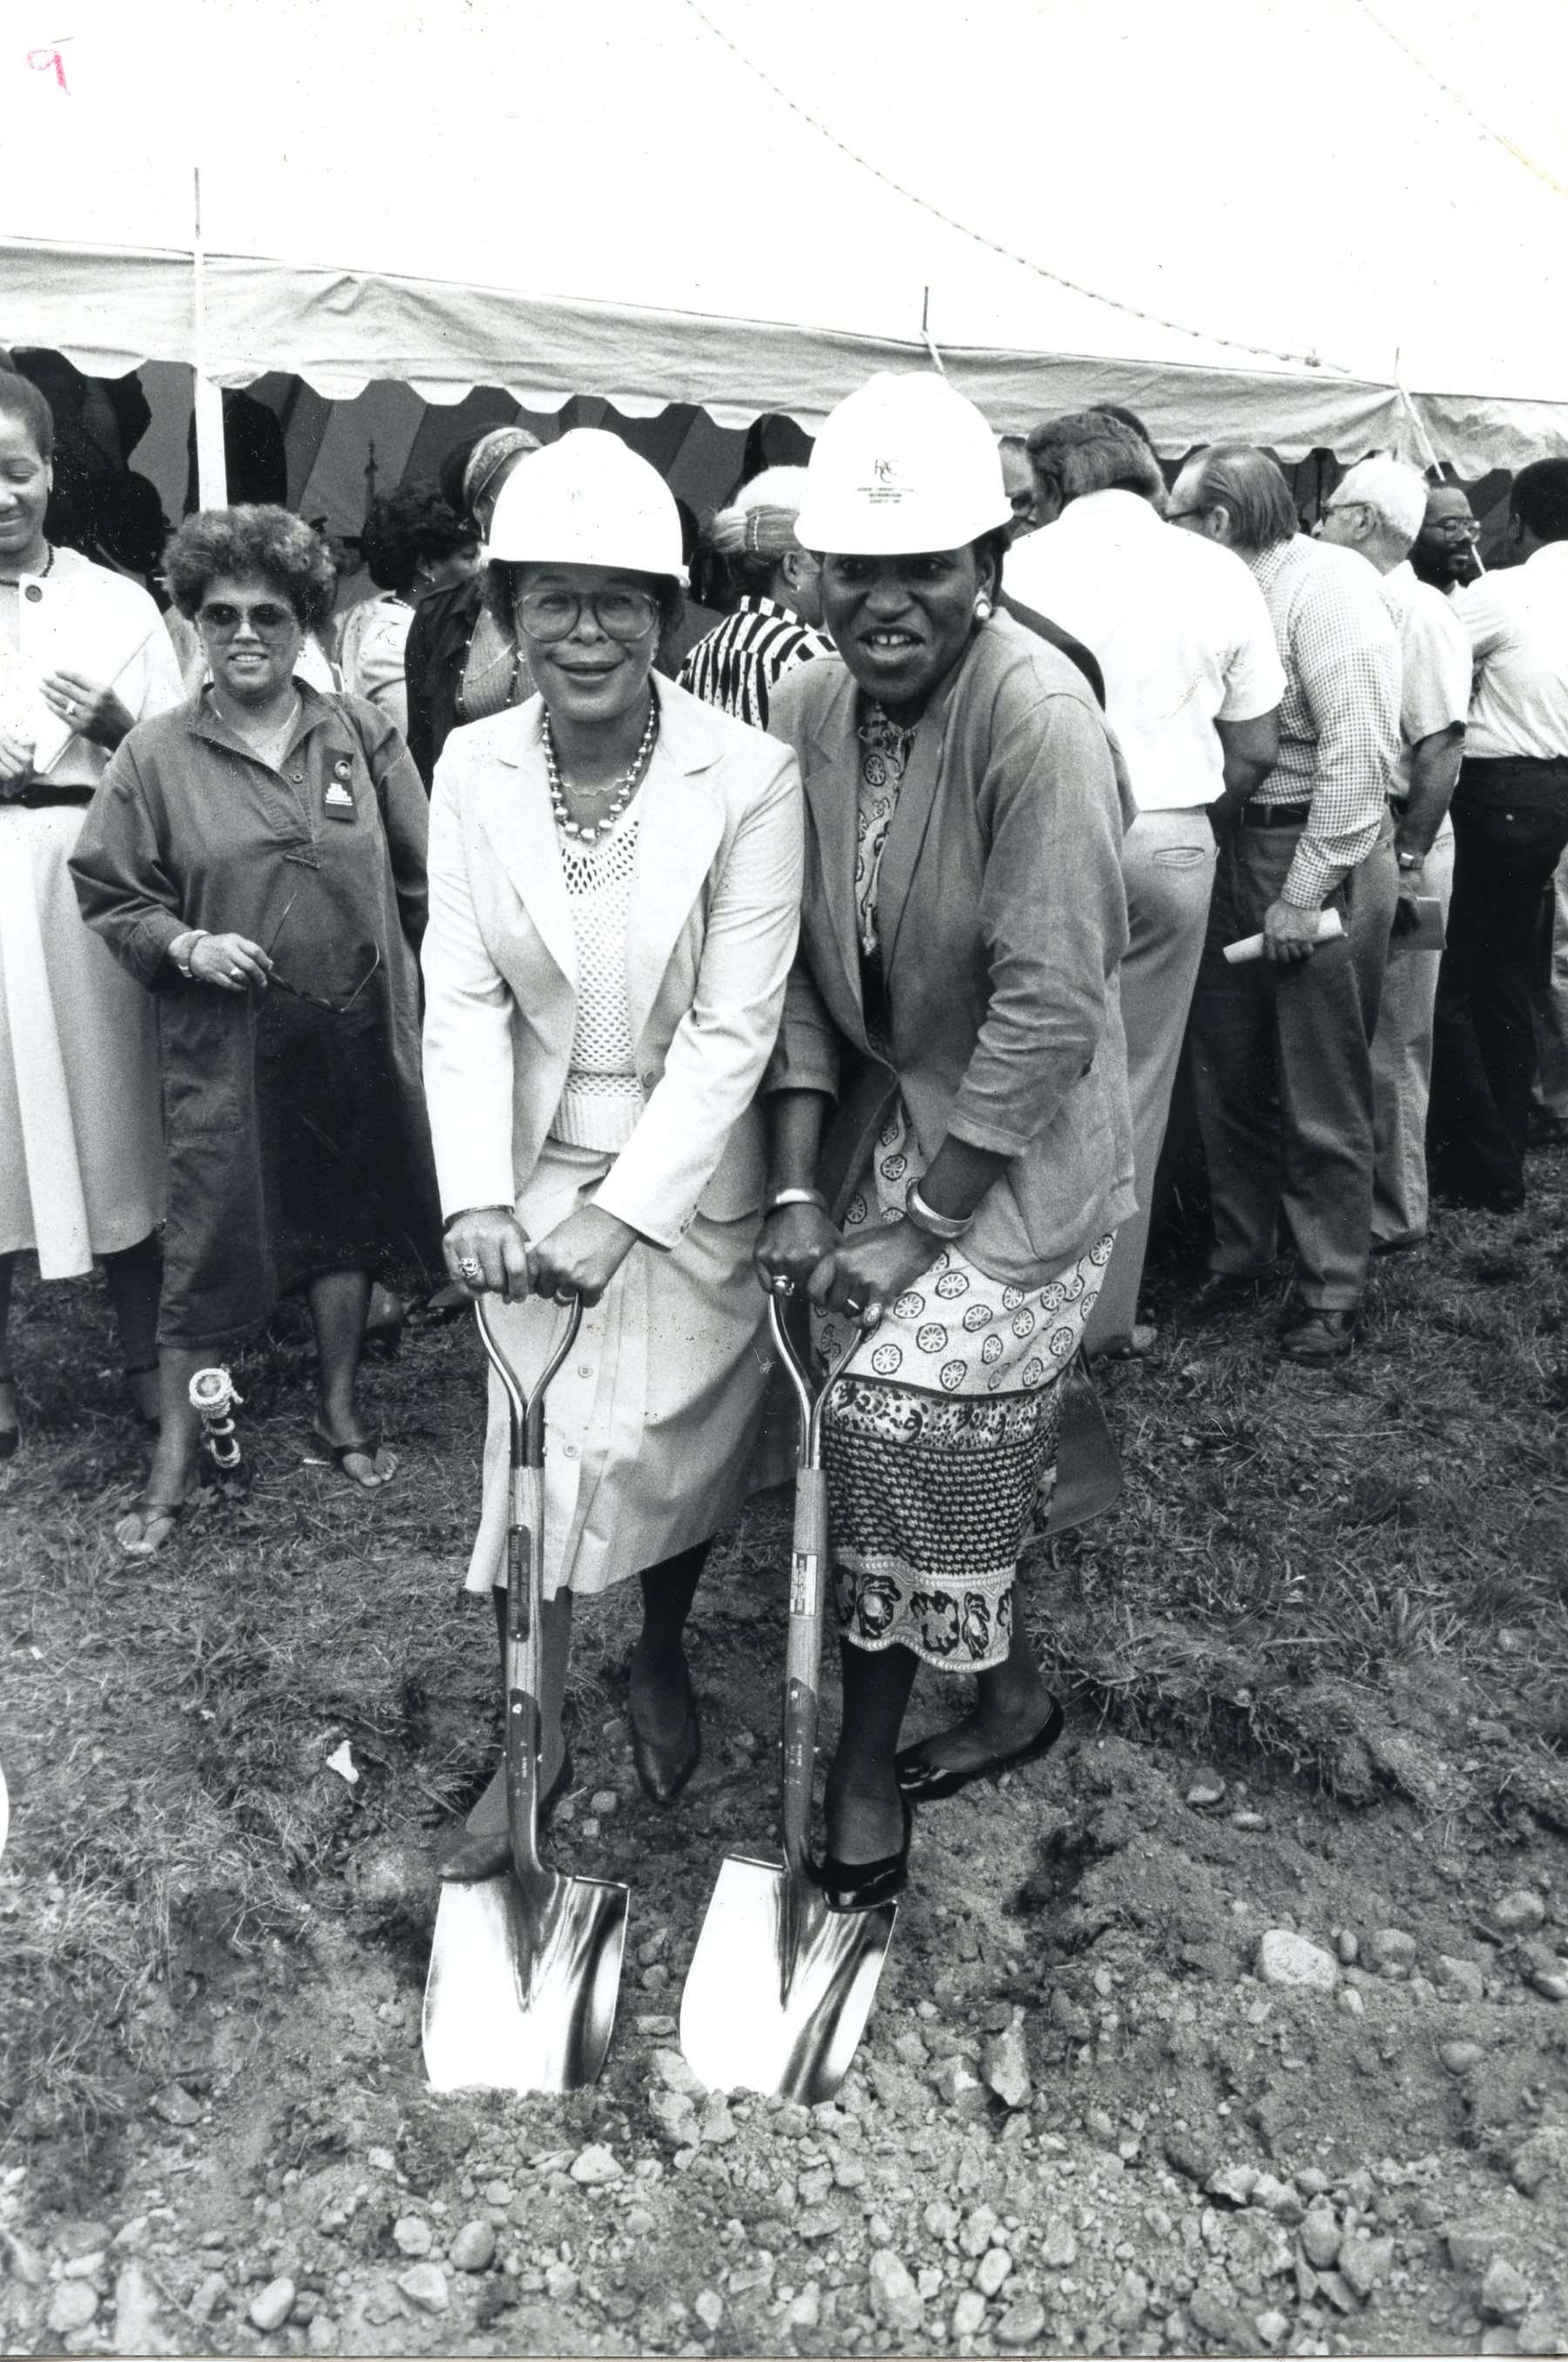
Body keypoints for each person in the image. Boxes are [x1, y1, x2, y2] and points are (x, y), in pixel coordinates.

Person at [757, 372, 1132, 1908]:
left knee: (893, 1421)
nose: (890, 599)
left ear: (990, 566)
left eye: (928, 567)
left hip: (1021, 1159)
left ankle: (860, 1763)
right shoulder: (806, 702)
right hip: (882, 1129)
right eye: (859, 567)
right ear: (810, 577)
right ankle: (1013, 1691)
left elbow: (1050, 1008)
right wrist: (796, 1178)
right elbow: (790, 963)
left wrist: (919, 1227)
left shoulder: (1038, 714)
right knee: (930, 1451)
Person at [421, 429, 803, 1871]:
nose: (585, 630)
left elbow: (733, 1025)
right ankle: (535, 1721)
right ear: (509, 614)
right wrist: (475, 1194)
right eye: (551, 599)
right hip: (529, 1173)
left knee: (668, 1451)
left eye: (619, 598)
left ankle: (659, 1647)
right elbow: (458, 993)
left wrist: (625, 1212)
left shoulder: (745, 776)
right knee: (539, 1453)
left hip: (689, 1177)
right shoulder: (472, 767)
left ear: (667, 610)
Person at [71, 504, 439, 1553]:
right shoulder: (154, 754)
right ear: (188, 622)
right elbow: (111, 888)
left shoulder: (358, 733)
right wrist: (187, 946)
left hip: (358, 1028)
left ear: (305, 624)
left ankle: (337, 1408)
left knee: (348, 1215)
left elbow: (427, 877)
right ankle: (176, 1457)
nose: (245, 634)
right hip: (225, 1048)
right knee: (212, 1235)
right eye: (220, 613)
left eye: (269, 615)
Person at [1008, 412, 1282, 1356]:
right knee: (1139, 1082)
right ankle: (1103, 1320)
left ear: (1048, 488)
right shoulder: (1220, 568)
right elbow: (1255, 743)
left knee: (1020, 1059)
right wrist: (1190, 819)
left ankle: (1008, 1305)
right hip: (1172, 832)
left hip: (1045, 828)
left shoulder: (1016, 562)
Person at [1169, 445, 1400, 1360]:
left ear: (1219, 521)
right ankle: (1240, 1253)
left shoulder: (1327, 585)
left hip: (1313, 842)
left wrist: (1304, 892)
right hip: (1231, 836)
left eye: (1178, 514)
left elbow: (1362, 751)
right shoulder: (1216, 585)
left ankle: (1331, 1286)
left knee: (1319, 1080)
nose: (1167, 531)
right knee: (1225, 1065)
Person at [0, 371, 184, 1457]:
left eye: (17, 472)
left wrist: (122, 726)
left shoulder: (117, 604)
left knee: (117, 1113)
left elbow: (179, 764)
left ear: (54, 472)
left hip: (86, 882)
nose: (1, 497)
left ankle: (145, 1360)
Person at [1317, 456, 1469, 1250]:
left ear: (1364, 521)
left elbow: (1441, 746)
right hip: (1365, 835)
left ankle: (1397, 1211)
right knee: (1356, 1032)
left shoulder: (1420, 612)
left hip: (1404, 837)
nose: (1319, 522)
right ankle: (1357, 1202)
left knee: (1394, 1039)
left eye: (1332, 510)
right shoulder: (1357, 600)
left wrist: (1408, 859)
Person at [1427, 458, 1568, 1210]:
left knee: (1452, 984)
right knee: (1511, 979)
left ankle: (1479, 1164)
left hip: (1496, 792)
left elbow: (1424, 650)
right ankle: (1502, 1154)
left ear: (1517, 520)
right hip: (1552, 792)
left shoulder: (1505, 592)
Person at [402, 427, 541, 786]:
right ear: (481, 510)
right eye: (518, 490)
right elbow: (421, 751)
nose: (540, 500)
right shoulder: (437, 619)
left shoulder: (586, 595)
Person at [678, 468, 834, 728]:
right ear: (792, 567)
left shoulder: (704, 649)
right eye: (825, 561)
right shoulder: (815, 657)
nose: (831, 581)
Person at [337, 483, 476, 733]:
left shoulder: (428, 626)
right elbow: (413, 753)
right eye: (469, 557)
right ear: (427, 565)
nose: (480, 567)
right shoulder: (393, 648)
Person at [1410, 481, 1483, 594]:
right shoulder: (1384, 602)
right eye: (1452, 526)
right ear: (1415, 529)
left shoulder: (1475, 606)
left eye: (1470, 527)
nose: (1467, 536)